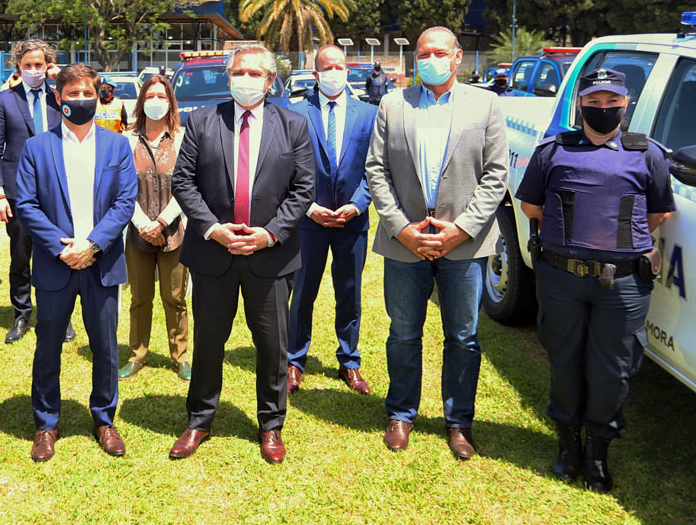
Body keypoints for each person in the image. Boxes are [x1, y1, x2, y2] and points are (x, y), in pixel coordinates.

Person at [515, 68, 675, 492]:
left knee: (613, 369)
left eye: (611, 101)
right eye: (594, 102)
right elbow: (532, 206)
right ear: (580, 104)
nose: (603, 109)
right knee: (564, 361)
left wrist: (614, 242)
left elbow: (658, 212)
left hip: (623, 283)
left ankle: (598, 451)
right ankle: (568, 444)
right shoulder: (553, 151)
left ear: (625, 104)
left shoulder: (648, 154)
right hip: (562, 278)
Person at [365, 26, 508, 460]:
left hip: (463, 244)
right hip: (405, 242)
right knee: (403, 333)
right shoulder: (393, 104)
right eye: (423, 53)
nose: (430, 60)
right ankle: (401, 413)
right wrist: (401, 228)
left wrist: (461, 229)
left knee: (463, 336)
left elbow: (496, 175)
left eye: (439, 53)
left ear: (457, 57)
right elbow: (376, 170)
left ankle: (459, 420)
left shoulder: (486, 104)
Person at [169, 44, 314, 464]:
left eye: (254, 73)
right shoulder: (202, 121)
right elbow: (183, 182)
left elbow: (304, 189)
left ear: (269, 81)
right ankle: (199, 419)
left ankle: (271, 424)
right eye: (238, 72)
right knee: (208, 342)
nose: (245, 80)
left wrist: (269, 235)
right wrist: (213, 230)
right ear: (228, 77)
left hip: (270, 256)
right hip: (213, 254)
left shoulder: (293, 125)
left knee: (272, 345)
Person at [14, 64, 137, 462]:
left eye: (88, 93)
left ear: (98, 97)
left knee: (106, 347)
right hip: (57, 264)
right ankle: (46, 423)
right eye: (73, 94)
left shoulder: (117, 146)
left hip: (101, 263)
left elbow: (124, 202)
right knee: (48, 345)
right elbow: (26, 204)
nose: (81, 100)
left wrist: (94, 244)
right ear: (58, 97)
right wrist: (60, 247)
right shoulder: (37, 147)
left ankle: (104, 418)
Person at [285, 45, 377, 395]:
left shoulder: (368, 114)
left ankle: (349, 361)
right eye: (327, 67)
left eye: (339, 66)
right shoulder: (296, 112)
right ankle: (295, 361)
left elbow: (376, 167)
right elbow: (286, 168)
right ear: (315, 74)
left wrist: (357, 204)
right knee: (302, 292)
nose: (334, 72)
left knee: (349, 293)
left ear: (347, 71)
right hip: (309, 221)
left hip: (352, 221)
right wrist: (309, 207)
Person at [0, 39, 76, 344]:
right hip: (18, 191)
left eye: (39, 65)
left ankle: (61, 315)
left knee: (58, 252)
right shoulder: (5, 100)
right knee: (21, 255)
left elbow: (89, 101)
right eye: (28, 65)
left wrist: (63, 79)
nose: (34, 70)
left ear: (48, 65)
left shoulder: (60, 97)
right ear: (18, 67)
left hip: (57, 189)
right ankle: (22, 313)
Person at [120, 75, 190, 382]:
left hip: (174, 233)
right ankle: (137, 354)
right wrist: (143, 225)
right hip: (138, 234)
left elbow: (187, 187)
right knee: (140, 298)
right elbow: (122, 188)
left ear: (171, 102)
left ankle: (181, 357)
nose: (156, 102)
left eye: (162, 96)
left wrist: (161, 222)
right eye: (150, 96)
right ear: (141, 102)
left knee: (175, 298)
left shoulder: (183, 139)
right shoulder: (127, 140)